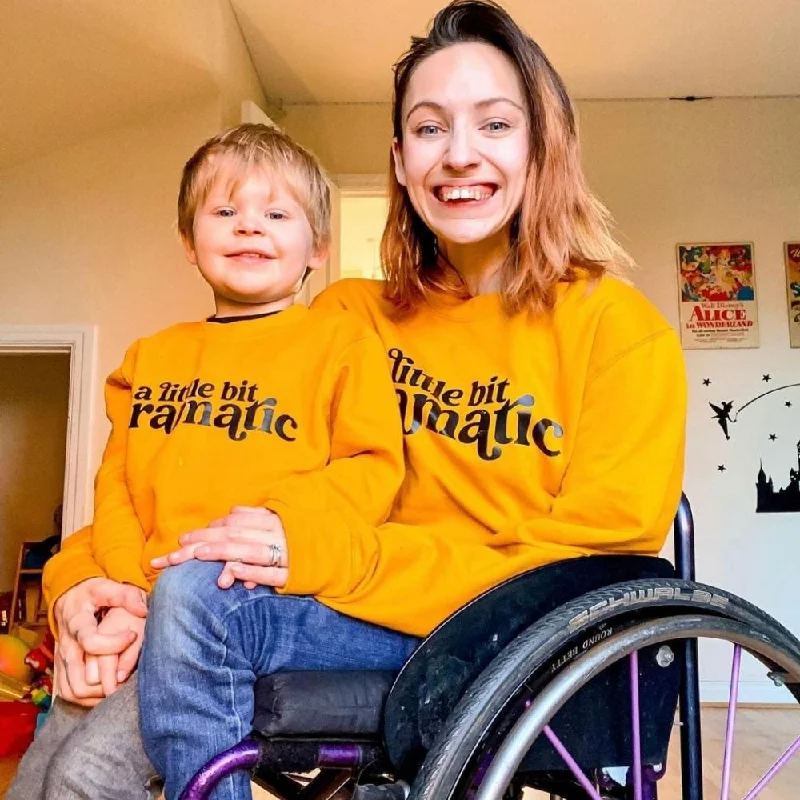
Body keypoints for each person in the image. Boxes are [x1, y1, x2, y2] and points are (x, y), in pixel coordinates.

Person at [138, 1, 687, 798]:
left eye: (494, 125)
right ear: (399, 160)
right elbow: (228, 469)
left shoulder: (618, 332)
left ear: (541, 147)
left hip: (505, 637)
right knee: (190, 595)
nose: (459, 156)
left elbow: (590, 565)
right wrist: (105, 582)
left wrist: (357, 557)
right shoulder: (345, 318)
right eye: (430, 129)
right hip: (351, 619)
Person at [8, 123, 406, 800]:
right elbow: (119, 490)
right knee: (39, 775)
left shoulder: (342, 344)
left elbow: (371, 473)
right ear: (189, 242)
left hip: (239, 614)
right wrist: (130, 598)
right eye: (225, 212)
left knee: (85, 778)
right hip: (143, 609)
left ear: (319, 247)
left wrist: (279, 523)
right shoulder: (152, 356)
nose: (250, 227)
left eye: (276, 214)